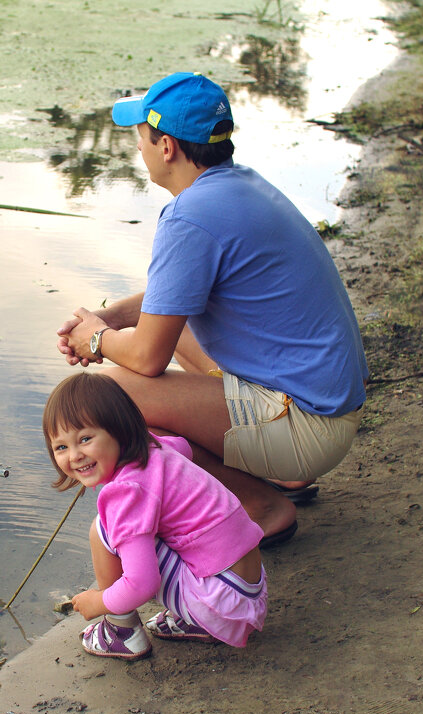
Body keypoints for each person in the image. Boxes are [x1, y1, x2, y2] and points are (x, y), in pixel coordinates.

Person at [56, 72, 368, 546]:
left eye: (141, 136)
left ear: (166, 147)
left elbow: (145, 359)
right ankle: (280, 476)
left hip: (309, 426)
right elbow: (173, 300)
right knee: (167, 330)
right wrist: (111, 320)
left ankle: (260, 506)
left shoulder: (190, 216)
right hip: (330, 405)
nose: (138, 148)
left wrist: (95, 340)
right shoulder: (237, 185)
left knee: (112, 400)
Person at [43, 372, 267, 660]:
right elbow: (183, 447)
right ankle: (198, 619)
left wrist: (99, 601)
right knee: (156, 525)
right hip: (248, 592)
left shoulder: (125, 492)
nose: (74, 456)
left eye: (85, 439)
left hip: (221, 603)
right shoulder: (155, 448)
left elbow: (141, 583)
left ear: (120, 432)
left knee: (103, 530)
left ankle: (120, 632)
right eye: (61, 447)